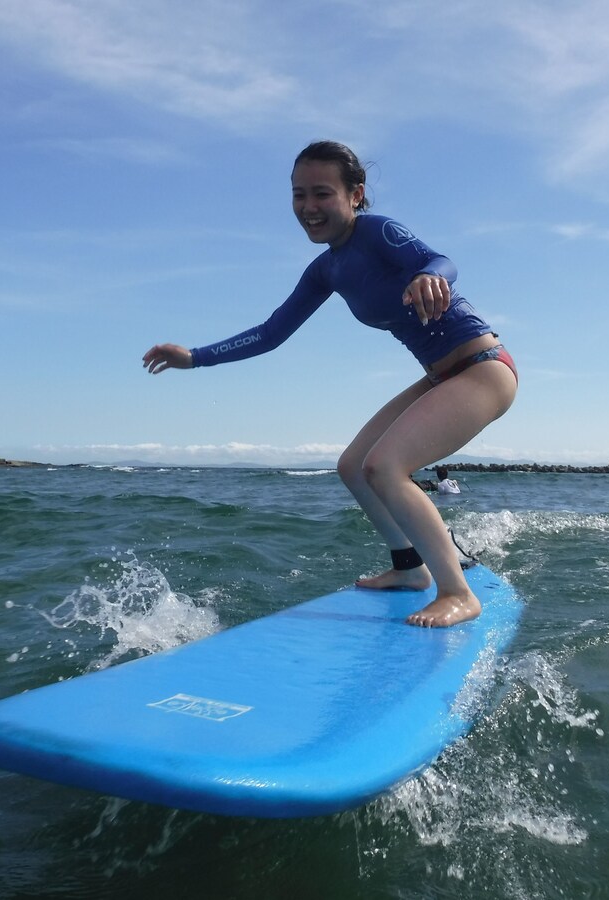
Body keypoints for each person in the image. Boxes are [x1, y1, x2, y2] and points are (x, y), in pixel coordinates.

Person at [142, 141, 517, 628]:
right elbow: (271, 333)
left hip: (482, 367)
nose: (308, 207)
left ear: (355, 195)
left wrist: (428, 276)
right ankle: (410, 569)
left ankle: (458, 593)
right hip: (441, 376)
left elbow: (441, 259)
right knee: (353, 466)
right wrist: (193, 358)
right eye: (299, 195)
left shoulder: (377, 231)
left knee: (386, 466)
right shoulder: (326, 269)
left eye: (322, 193)